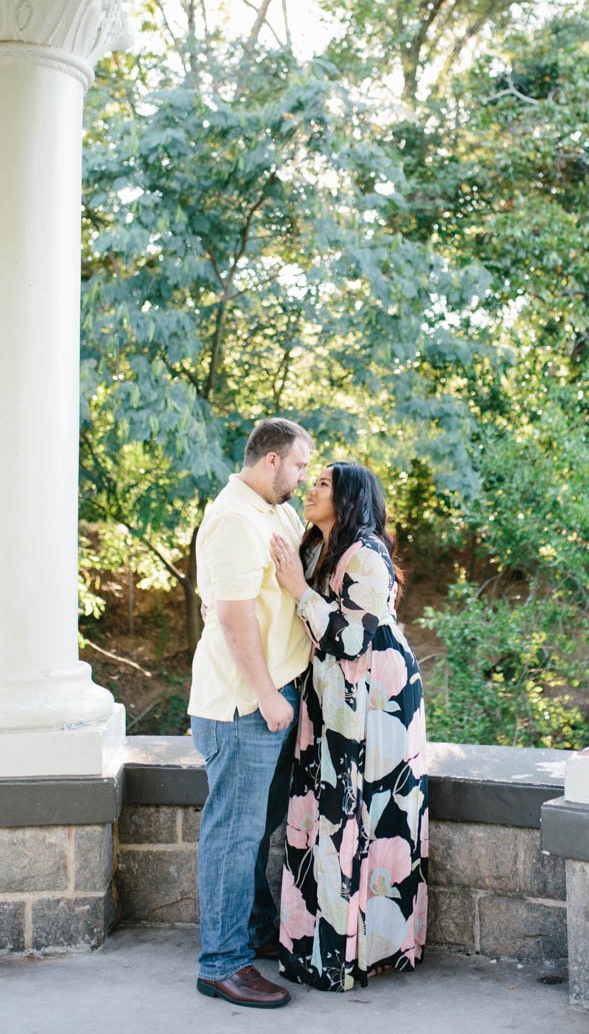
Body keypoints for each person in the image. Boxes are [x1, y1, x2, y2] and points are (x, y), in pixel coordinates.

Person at [270, 461, 429, 992]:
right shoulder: (321, 549)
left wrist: (298, 590)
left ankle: (352, 955)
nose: (310, 490)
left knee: (362, 814)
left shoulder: (366, 553)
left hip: (374, 703)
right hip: (335, 699)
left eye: (322, 485)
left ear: (349, 499)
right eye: (311, 481)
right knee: (326, 813)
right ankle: (318, 946)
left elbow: (353, 638)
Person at [188, 417, 313, 1009]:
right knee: (234, 837)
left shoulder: (273, 510)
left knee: (257, 830)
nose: (303, 478)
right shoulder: (235, 519)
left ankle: (254, 934)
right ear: (271, 462)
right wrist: (267, 694)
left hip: (269, 697)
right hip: (242, 705)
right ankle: (221, 964)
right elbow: (234, 617)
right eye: (299, 467)